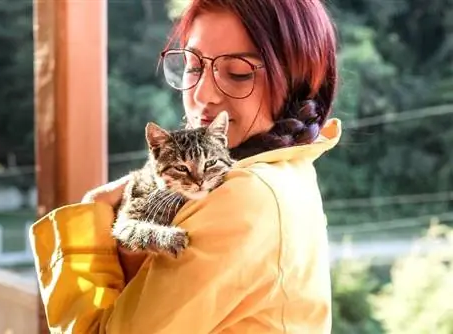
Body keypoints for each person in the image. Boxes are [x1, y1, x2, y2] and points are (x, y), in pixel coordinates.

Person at [29, 0, 342, 333]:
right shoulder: (290, 170)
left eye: (238, 73)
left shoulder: (246, 197)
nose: (203, 94)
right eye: (193, 67)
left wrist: (89, 220)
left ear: (297, 82)